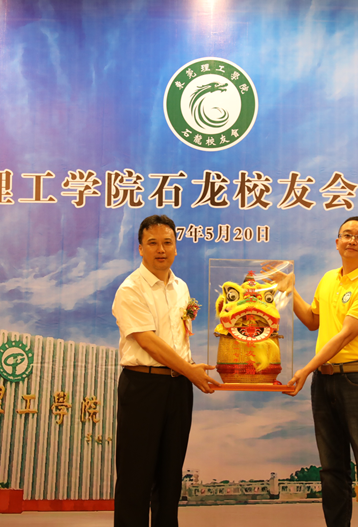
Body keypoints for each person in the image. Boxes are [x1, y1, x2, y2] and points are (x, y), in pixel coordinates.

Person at [269, 216, 358, 527]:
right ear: (337, 243)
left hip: (357, 380)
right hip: (323, 380)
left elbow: (345, 335)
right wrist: (289, 289)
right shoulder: (328, 280)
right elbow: (312, 321)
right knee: (332, 469)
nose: (352, 240)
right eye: (346, 235)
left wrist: (306, 369)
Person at [111, 214, 221, 527]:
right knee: (135, 477)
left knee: (170, 476)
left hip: (178, 387)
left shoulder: (181, 287)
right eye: (153, 243)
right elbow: (148, 342)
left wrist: (189, 368)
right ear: (140, 248)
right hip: (143, 386)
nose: (161, 249)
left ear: (175, 247)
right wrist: (190, 370)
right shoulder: (131, 289)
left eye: (167, 242)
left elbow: (177, 339)